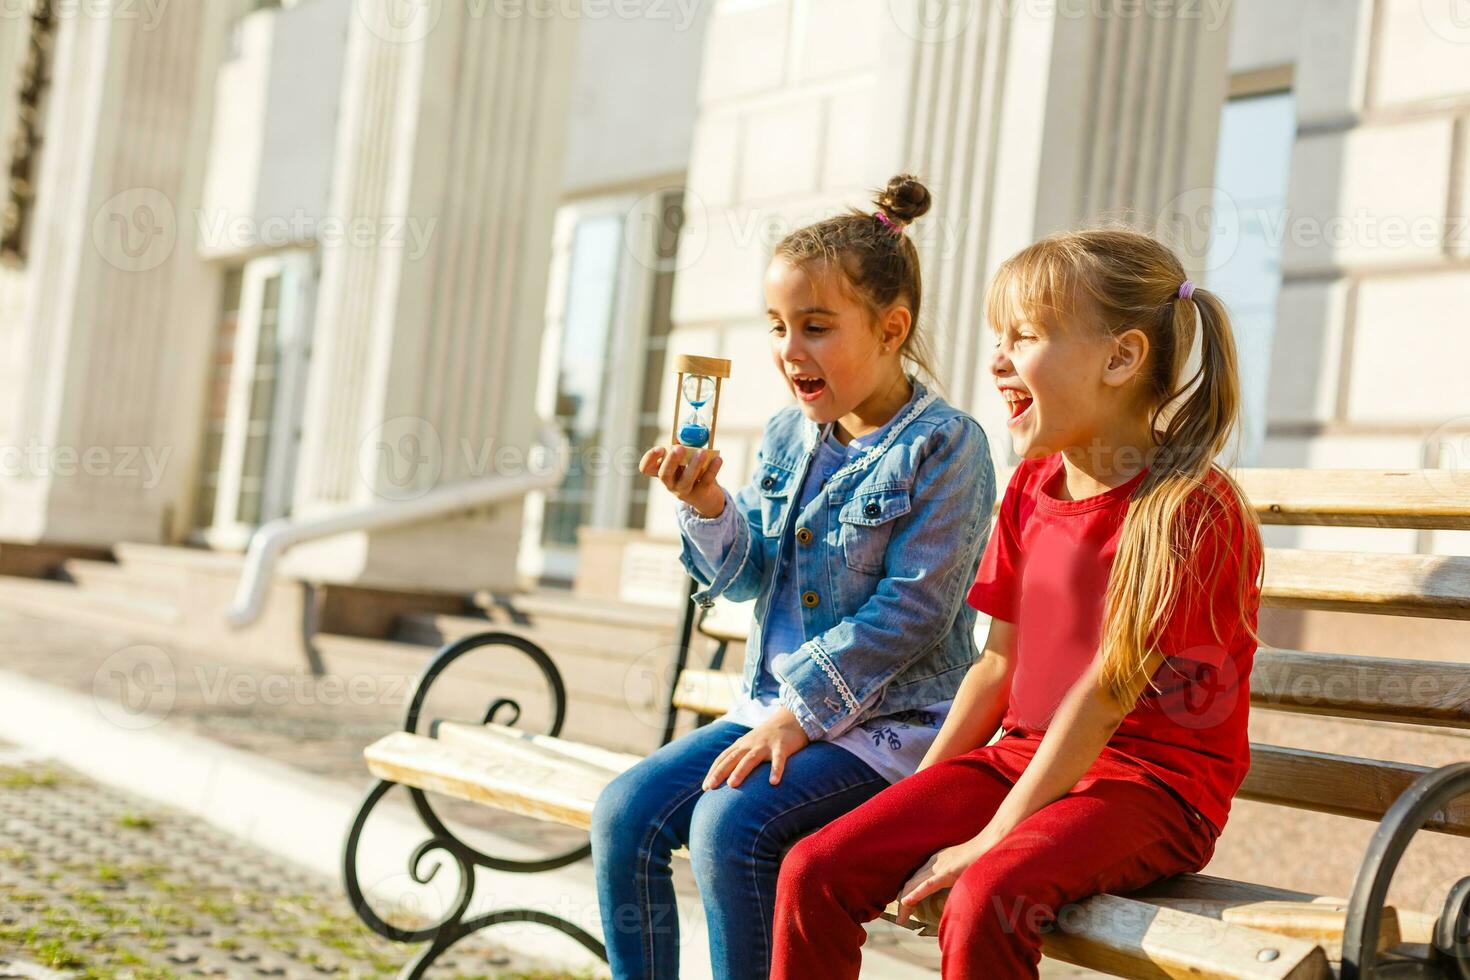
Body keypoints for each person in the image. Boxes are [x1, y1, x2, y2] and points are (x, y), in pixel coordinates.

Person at [771, 228, 1266, 980]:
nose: (997, 358)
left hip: (1149, 790)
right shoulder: (1033, 487)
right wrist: (915, 801)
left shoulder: (1189, 510)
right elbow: (995, 663)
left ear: (1121, 358)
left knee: (987, 898)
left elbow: (1104, 696)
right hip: (1021, 758)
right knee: (816, 867)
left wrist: (987, 839)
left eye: (1025, 336)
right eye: (996, 337)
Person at [589, 174, 996, 980]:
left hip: (890, 728)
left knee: (729, 827)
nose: (788, 351)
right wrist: (706, 503)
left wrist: (804, 714)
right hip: (778, 716)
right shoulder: (788, 432)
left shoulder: (946, 446)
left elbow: (913, 611)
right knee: (625, 812)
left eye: (815, 327)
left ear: (891, 327)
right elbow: (747, 577)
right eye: (777, 327)